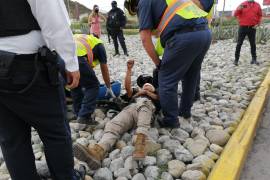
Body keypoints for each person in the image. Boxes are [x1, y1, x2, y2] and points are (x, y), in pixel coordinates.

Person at [0, 0, 85, 180]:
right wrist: (69, 63)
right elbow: (53, 19)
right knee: (55, 131)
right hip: (28, 65)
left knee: (12, 139)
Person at [124, 0, 213, 128]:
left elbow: (145, 38)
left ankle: (171, 120)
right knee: (191, 75)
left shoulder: (144, 2)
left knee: (166, 80)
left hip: (184, 37)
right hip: (204, 34)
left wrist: (159, 64)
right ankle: (185, 112)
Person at [73, 60, 161, 169]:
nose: (146, 85)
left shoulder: (156, 95)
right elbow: (128, 88)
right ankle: (98, 152)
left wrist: (148, 93)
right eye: (144, 85)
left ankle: (140, 143)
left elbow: (160, 99)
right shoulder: (136, 92)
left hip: (146, 112)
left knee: (144, 102)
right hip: (130, 111)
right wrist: (129, 70)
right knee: (113, 125)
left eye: (149, 84)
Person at [72, 34, 115, 125]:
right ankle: (84, 116)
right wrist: (108, 87)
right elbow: (104, 68)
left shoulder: (79, 38)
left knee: (76, 85)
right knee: (93, 85)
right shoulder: (99, 44)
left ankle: (78, 113)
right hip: (77, 58)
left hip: (62, 57)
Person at [234, 0, 262, 66]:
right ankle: (236, 60)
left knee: (253, 44)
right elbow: (235, 14)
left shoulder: (257, 5)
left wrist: (258, 24)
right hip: (243, 27)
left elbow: (260, 15)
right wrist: (238, 9)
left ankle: (254, 59)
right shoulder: (243, 4)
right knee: (239, 44)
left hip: (252, 28)